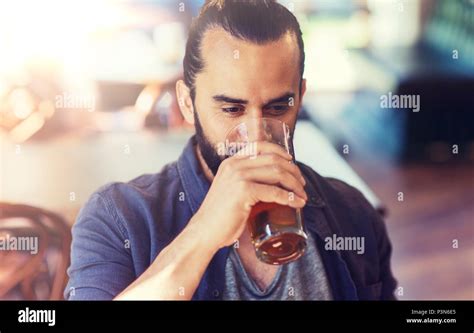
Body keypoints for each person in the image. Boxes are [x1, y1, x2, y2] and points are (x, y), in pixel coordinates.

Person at [65, 0, 397, 300]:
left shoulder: (354, 213)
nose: (256, 136)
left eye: (278, 108)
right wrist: (205, 231)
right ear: (187, 103)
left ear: (301, 96)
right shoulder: (117, 218)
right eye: (232, 110)